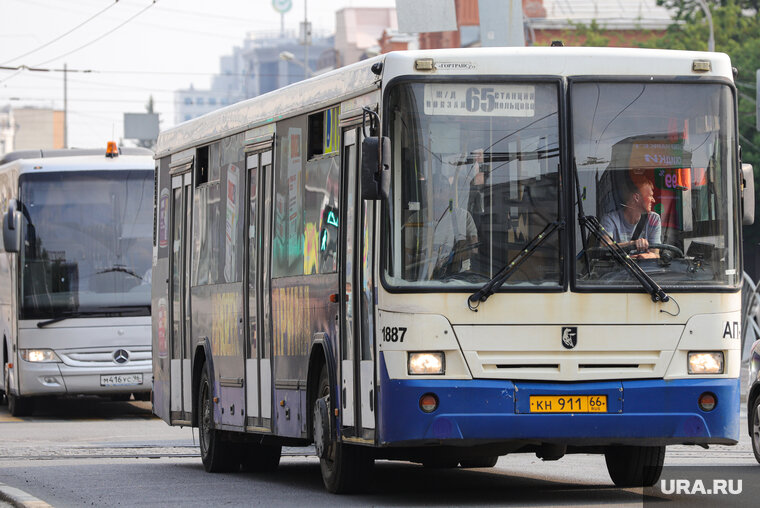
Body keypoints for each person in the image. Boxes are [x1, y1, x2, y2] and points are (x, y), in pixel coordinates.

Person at [600, 176, 661, 259]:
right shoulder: (610, 219)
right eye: (650, 196)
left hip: (645, 270)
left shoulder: (653, 219)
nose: (653, 200)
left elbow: (656, 254)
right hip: (617, 270)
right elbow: (605, 248)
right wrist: (632, 244)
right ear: (636, 197)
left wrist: (641, 257)